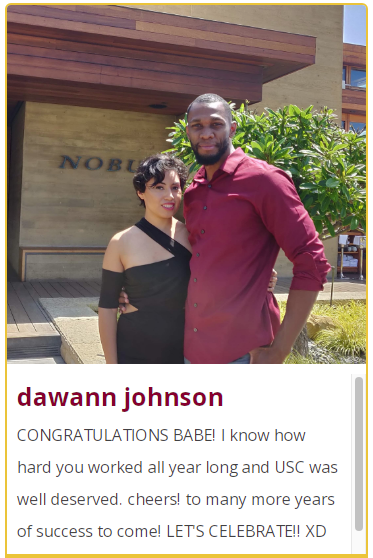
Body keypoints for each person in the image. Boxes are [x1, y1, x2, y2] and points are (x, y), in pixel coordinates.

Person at [120, 93, 330, 364]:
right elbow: (198, 258)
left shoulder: (265, 181)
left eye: (215, 124)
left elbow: (312, 261)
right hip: (190, 348)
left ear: (232, 128)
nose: (206, 133)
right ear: (188, 133)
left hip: (242, 354)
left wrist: (280, 350)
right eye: (197, 126)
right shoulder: (193, 191)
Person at [99, 153, 277, 364]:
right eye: (158, 187)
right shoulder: (121, 242)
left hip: (189, 349)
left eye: (175, 188)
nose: (169, 196)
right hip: (135, 348)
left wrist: (263, 275)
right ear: (141, 193)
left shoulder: (196, 235)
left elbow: (227, 270)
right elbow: (108, 308)